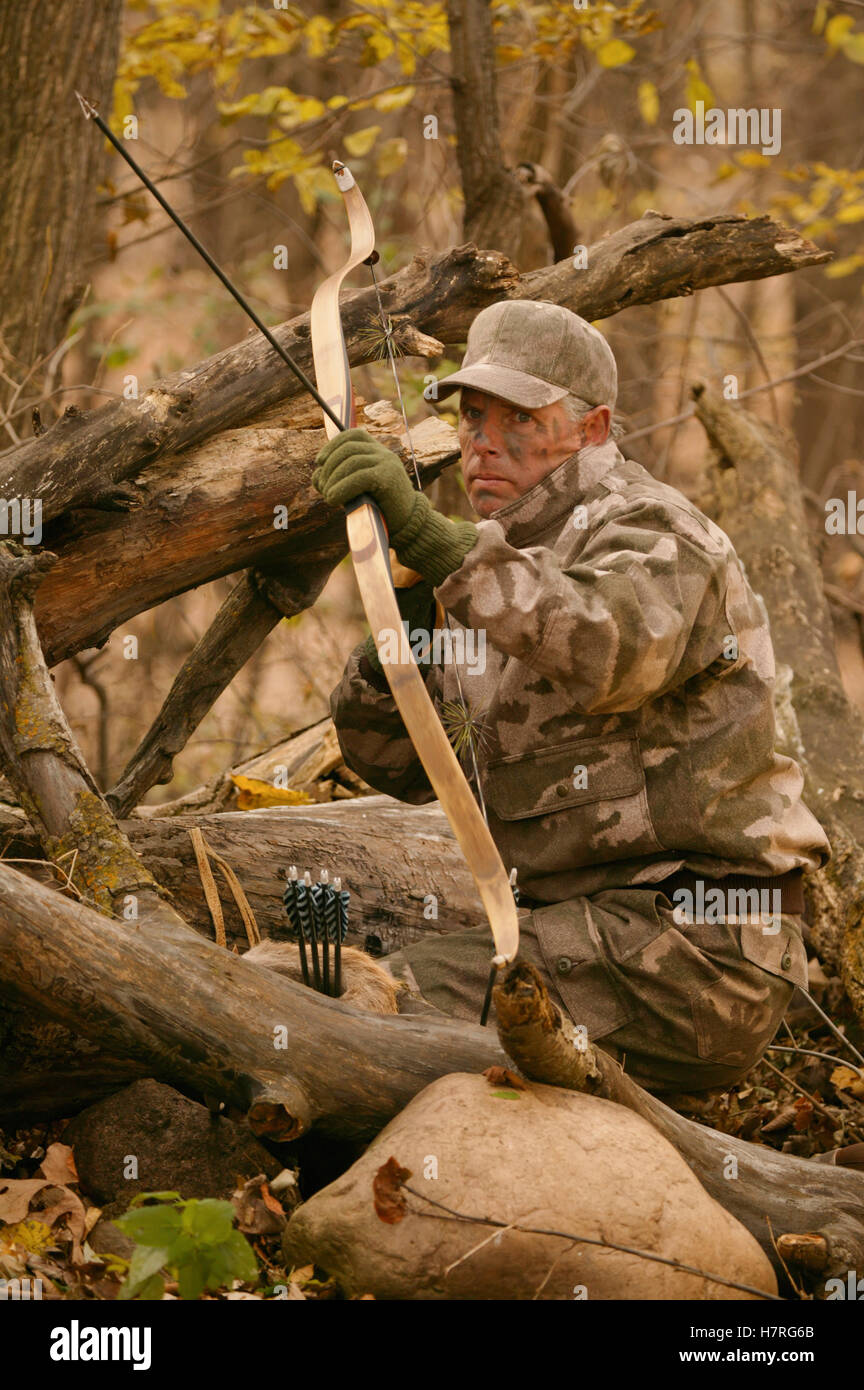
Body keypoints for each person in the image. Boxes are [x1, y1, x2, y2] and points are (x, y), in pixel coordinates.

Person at [313, 299, 830, 1094]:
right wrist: (405, 614)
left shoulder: (654, 528)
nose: (482, 440)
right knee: (319, 964)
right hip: (578, 937)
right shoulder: (494, 566)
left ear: (593, 428)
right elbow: (403, 765)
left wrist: (436, 544)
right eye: (472, 414)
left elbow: (612, 642)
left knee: (372, 1007)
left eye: (518, 416)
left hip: (703, 949)